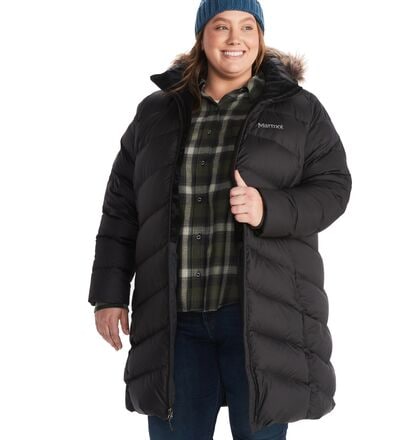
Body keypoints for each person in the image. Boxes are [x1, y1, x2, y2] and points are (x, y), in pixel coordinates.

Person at [88, 0, 352, 439]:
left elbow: (334, 188)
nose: (235, 39)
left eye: (248, 27)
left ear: (260, 37)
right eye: (221, 26)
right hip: (174, 320)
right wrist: (108, 295)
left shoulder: (299, 109)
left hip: (261, 320)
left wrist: (268, 209)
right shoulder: (156, 112)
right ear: (202, 37)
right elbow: (121, 209)